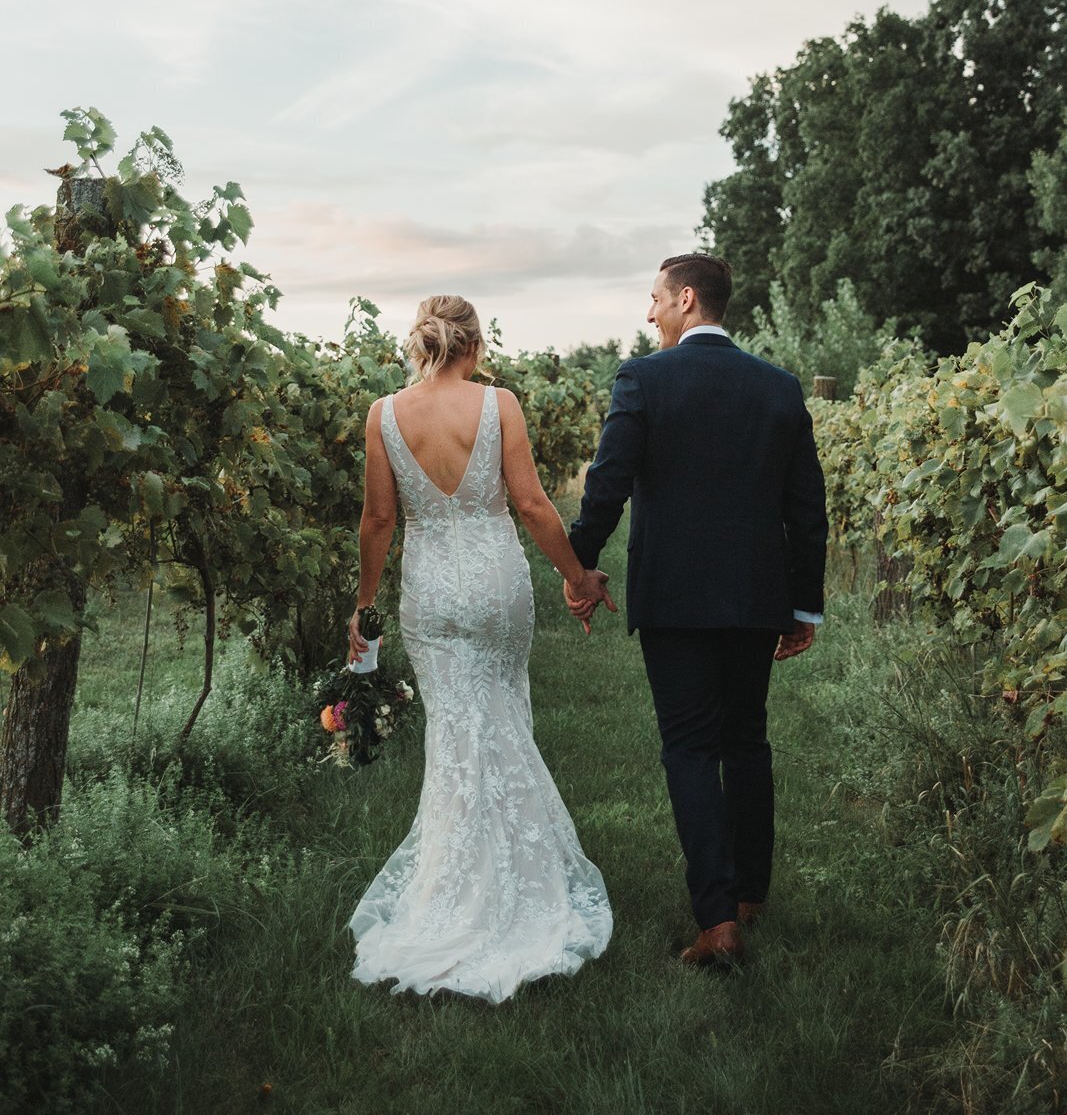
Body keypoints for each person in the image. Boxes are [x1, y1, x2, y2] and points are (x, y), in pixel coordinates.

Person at [564, 253, 827, 969]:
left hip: (673, 595)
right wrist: (804, 605)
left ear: (685, 300)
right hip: (755, 594)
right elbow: (806, 508)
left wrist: (578, 564)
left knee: (687, 746)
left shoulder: (644, 379)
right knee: (744, 738)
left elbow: (607, 481)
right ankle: (748, 894)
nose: (648, 315)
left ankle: (716, 923)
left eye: (654, 300)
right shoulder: (778, 387)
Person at [347, 295, 612, 1002]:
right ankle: (518, 882)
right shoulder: (499, 403)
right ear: (475, 341)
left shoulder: (382, 415)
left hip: (430, 589)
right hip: (495, 583)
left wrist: (364, 604)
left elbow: (378, 519)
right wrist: (577, 576)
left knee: (456, 729)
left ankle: (454, 883)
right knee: (498, 715)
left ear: (422, 341)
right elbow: (530, 505)